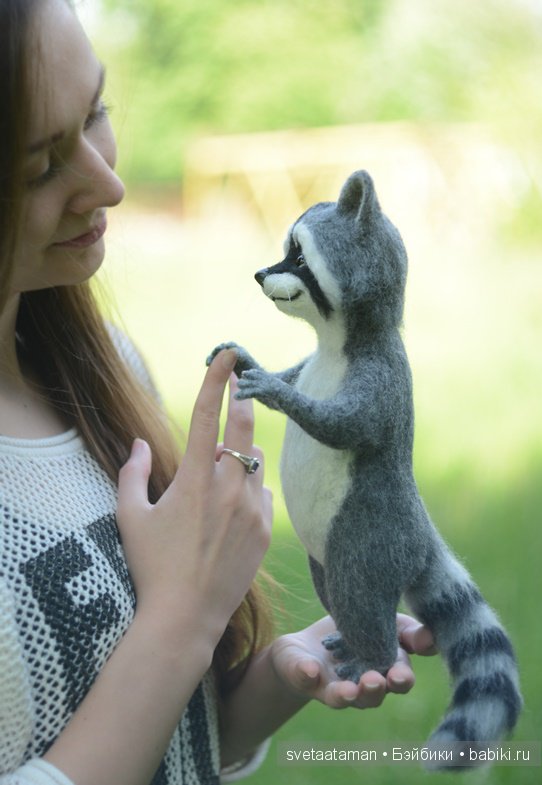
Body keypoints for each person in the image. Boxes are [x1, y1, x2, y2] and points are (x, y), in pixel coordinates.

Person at [0, 1, 436, 783]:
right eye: (40, 165)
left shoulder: (105, 373)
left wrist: (266, 681)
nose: (111, 184)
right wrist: (183, 618)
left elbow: (162, 745)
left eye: (96, 111)